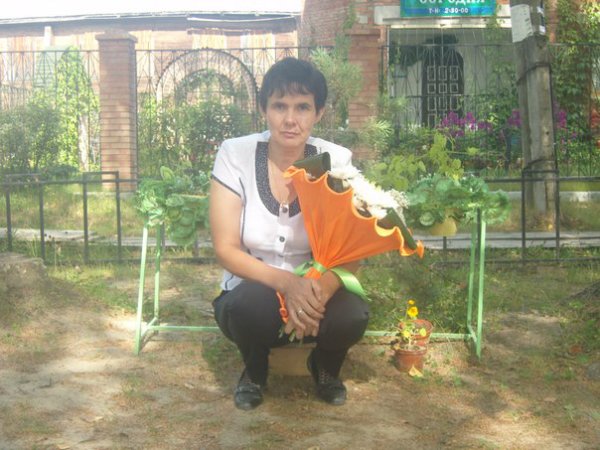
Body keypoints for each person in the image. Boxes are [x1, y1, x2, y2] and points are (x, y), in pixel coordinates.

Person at [209, 57, 369, 410]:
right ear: (263, 109)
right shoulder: (235, 154)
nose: (290, 119)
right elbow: (225, 248)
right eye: (279, 106)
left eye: (303, 107)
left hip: (316, 285)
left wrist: (316, 294)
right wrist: (287, 285)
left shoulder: (335, 161)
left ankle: (325, 367)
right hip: (255, 286)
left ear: (319, 112)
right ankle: (255, 370)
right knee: (246, 307)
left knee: (351, 315)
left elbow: (354, 249)